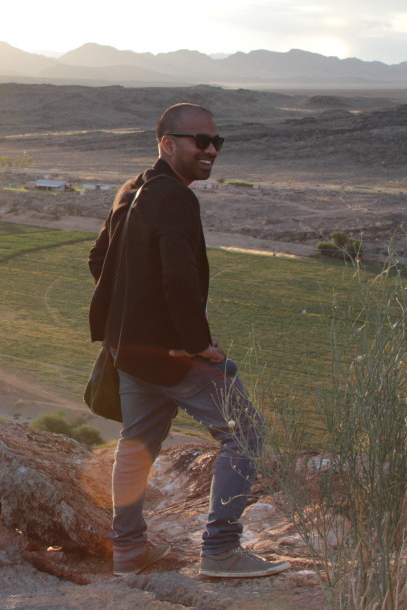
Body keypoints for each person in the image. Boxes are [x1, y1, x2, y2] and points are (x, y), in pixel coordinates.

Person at [87, 103, 290, 578]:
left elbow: (100, 260)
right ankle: (220, 550)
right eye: (201, 141)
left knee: (136, 445)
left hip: (128, 350)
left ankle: (129, 551)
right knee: (244, 433)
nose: (212, 150)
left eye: (218, 142)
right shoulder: (175, 198)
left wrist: (131, 323)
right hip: (170, 353)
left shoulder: (131, 189)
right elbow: (178, 278)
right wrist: (195, 342)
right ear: (168, 144)